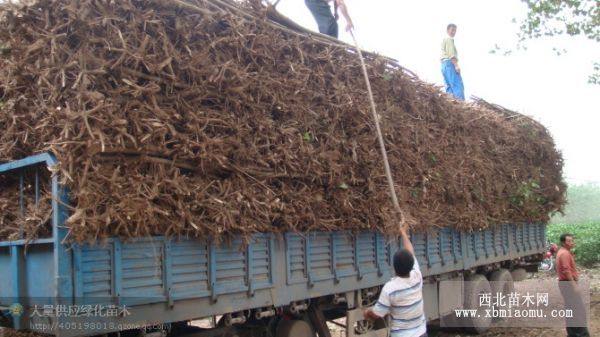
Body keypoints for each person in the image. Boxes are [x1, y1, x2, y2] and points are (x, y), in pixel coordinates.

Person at [364, 226, 427, 337]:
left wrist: (367, 312)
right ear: (411, 265)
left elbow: (376, 314)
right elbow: (410, 251)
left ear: (394, 267)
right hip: (421, 334)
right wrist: (403, 233)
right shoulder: (417, 277)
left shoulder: (390, 289)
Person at [556, 233, 590, 337]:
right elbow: (566, 271)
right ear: (563, 242)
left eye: (572, 240)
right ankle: (581, 334)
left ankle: (572, 334)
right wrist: (574, 285)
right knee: (578, 311)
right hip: (568, 284)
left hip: (565, 284)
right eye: (569, 241)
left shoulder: (562, 252)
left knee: (571, 310)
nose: (571, 243)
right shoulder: (565, 254)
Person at [441, 23, 465, 100]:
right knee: (457, 85)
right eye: (452, 30)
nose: (453, 32)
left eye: (455, 31)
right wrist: (456, 65)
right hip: (449, 63)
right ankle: (461, 104)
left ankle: (451, 103)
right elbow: (451, 54)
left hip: (444, 65)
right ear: (447, 30)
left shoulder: (444, 40)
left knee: (448, 86)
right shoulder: (449, 40)